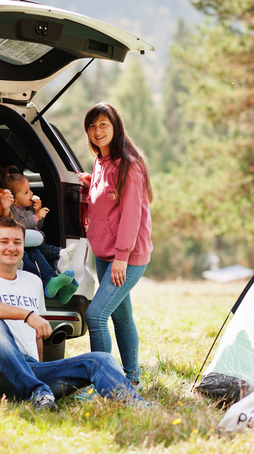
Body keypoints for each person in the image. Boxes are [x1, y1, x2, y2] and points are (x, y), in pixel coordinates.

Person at [0, 217, 145, 409]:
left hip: (31, 371)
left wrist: (39, 365)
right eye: (4, 242)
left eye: (17, 242)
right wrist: (28, 315)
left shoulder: (33, 282)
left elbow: (37, 336)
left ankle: (137, 406)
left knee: (100, 359)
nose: (11, 248)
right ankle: (38, 393)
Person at [80, 102, 153, 385]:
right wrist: (89, 186)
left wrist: (121, 257)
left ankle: (104, 383)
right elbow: (104, 200)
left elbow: (131, 216)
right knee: (121, 318)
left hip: (127, 256)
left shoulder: (129, 167)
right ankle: (131, 380)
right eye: (92, 125)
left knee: (96, 315)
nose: (97, 131)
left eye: (103, 124)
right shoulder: (101, 161)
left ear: (116, 127)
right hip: (104, 253)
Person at [1, 166, 78, 304]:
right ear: (14, 200)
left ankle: (59, 279)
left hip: (34, 243)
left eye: (30, 189)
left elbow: (38, 227)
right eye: (26, 192)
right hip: (24, 245)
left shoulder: (26, 208)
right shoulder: (12, 210)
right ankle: (58, 259)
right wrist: (36, 216)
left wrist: (37, 214)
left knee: (37, 250)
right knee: (35, 251)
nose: (31, 193)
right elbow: (18, 225)